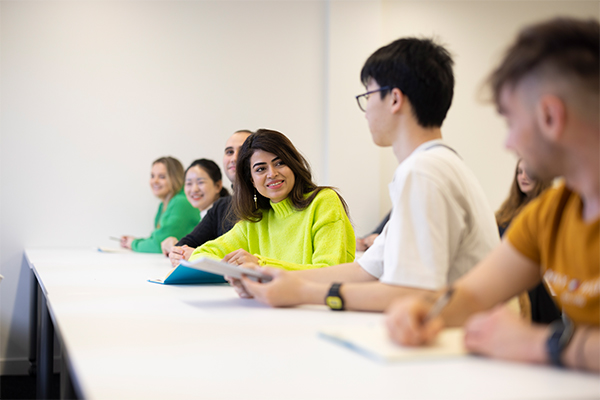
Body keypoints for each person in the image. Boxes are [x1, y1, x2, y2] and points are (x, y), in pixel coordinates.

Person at [385, 18, 599, 372]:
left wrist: (537, 342)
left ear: (549, 117)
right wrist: (425, 309)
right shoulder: (548, 214)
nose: (508, 143)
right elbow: (471, 294)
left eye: (511, 121)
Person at [232, 38, 498, 312]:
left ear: (394, 98)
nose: (366, 110)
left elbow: (415, 295)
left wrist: (304, 291)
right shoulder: (434, 166)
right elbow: (364, 271)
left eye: (368, 96)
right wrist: (271, 277)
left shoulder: (425, 172)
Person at [187, 128, 355, 271]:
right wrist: (233, 267)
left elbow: (329, 270)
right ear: (251, 180)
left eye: (280, 163)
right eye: (260, 169)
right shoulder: (254, 221)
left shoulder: (323, 202)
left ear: (293, 165)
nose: (272, 173)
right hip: (266, 304)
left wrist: (261, 265)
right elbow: (201, 254)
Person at [167, 130, 252, 267]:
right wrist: (178, 252)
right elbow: (185, 244)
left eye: (243, 151)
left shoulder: (267, 202)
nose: (234, 158)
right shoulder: (222, 206)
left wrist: (198, 255)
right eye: (229, 152)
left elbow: (243, 257)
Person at [497, 159, 559, 323]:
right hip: (509, 286)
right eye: (519, 172)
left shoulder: (552, 208)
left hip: (540, 286)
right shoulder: (505, 212)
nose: (523, 177)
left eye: (528, 172)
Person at [121, 156, 200, 253]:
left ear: (175, 178)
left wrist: (133, 244)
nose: (155, 181)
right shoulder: (163, 205)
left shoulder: (181, 202)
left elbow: (158, 244)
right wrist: (135, 241)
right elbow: (157, 236)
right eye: (152, 176)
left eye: (162, 177)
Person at [160, 158, 230, 255]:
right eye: (188, 183)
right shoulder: (202, 216)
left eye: (200, 182)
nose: (194, 189)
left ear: (218, 186)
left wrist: (176, 247)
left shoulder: (226, 215)